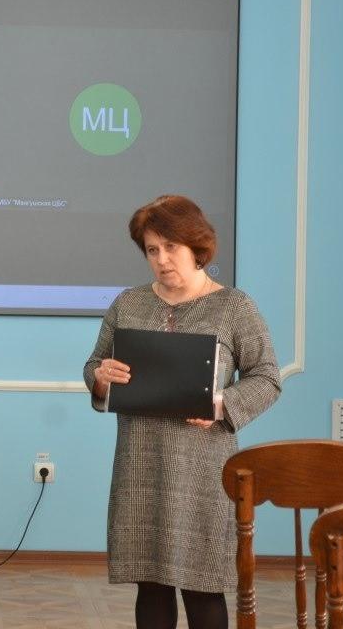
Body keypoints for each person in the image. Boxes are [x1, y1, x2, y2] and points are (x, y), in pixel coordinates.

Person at [83, 195, 281, 629]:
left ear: (196, 246)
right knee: (150, 585)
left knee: (204, 587)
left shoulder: (234, 307)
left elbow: (268, 377)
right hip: (140, 464)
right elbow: (94, 366)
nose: (161, 259)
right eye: (152, 249)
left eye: (171, 247)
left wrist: (222, 404)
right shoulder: (128, 304)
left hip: (203, 469)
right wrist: (100, 377)